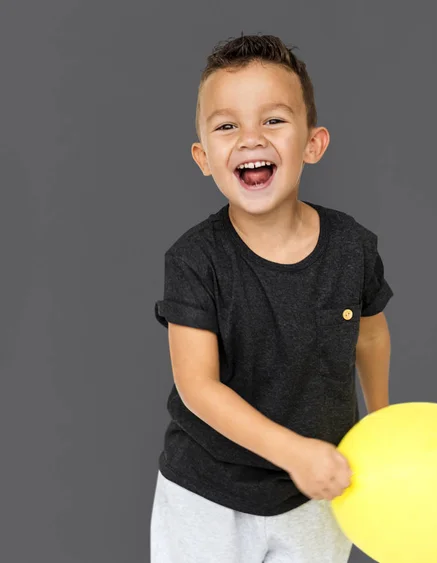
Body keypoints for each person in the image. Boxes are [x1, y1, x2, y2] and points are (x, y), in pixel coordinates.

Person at [151, 33, 393, 563]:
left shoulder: (352, 247)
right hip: (207, 495)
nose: (249, 138)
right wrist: (294, 452)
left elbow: (370, 335)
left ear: (313, 143)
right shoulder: (193, 260)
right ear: (204, 157)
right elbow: (197, 387)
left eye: (274, 120)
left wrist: (381, 422)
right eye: (226, 125)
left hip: (315, 495)